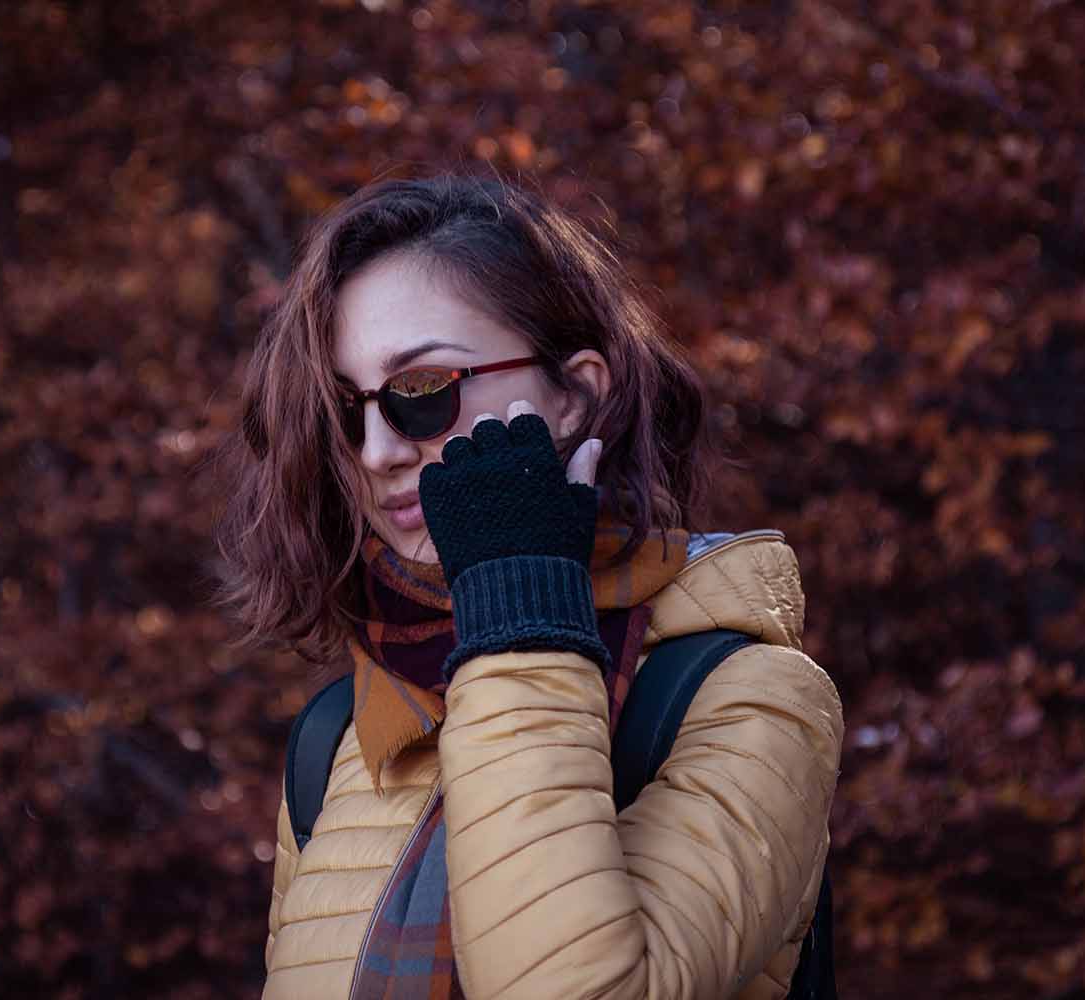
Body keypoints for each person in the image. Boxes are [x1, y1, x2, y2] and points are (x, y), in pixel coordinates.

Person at [215, 170, 844, 999]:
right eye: (344, 410)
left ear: (578, 395)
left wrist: (518, 609)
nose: (377, 452)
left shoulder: (745, 694)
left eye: (418, 393)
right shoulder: (342, 733)